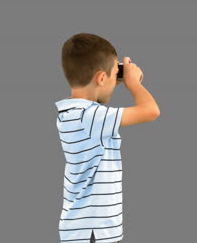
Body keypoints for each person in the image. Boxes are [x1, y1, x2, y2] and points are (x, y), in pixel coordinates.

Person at [55, 33, 160, 243]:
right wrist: (133, 85)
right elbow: (151, 111)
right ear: (101, 78)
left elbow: (96, 98)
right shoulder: (91, 116)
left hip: (81, 226)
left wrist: (111, 78)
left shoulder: (72, 113)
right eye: (113, 76)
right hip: (95, 230)